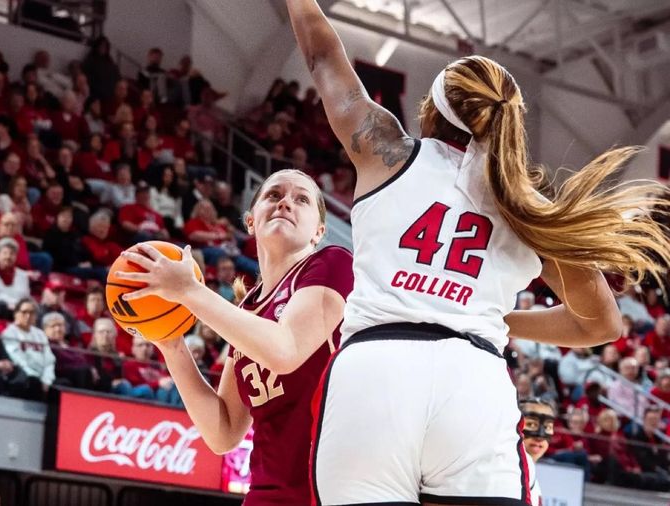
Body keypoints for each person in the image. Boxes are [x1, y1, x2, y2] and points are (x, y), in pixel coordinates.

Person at [286, 1, 670, 504]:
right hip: (472, 378)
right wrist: (501, 319)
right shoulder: (528, 207)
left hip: (376, 369)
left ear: (433, 108)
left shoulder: (386, 149)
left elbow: (320, 54)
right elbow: (600, 325)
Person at [114, 168, 353, 504]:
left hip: (328, 493)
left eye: (301, 199)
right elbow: (223, 431)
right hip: (266, 494)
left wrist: (188, 290)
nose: (286, 202)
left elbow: (286, 350)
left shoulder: (334, 263)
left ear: (319, 231)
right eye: (274, 195)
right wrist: (170, 343)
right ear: (251, 221)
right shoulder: (246, 310)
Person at [520, 399, 556, 506]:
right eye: (531, 424)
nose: (540, 437)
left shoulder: (530, 470)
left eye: (547, 427)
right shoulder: (510, 468)